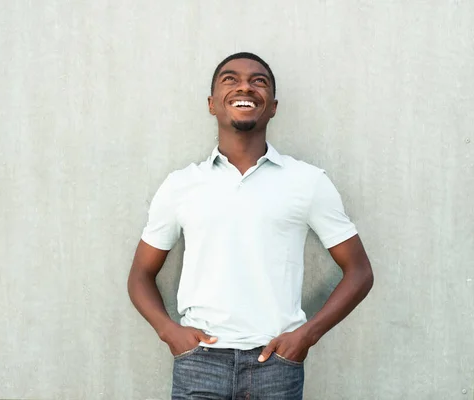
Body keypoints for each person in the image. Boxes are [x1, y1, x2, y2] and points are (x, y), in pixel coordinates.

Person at [127, 52, 374, 399]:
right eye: (230, 79)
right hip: (199, 364)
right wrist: (169, 332)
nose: (245, 85)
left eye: (259, 81)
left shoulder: (307, 182)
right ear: (212, 104)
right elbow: (140, 275)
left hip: (275, 366)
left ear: (273, 106)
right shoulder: (180, 185)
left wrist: (307, 335)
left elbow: (360, 272)